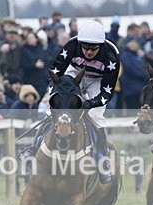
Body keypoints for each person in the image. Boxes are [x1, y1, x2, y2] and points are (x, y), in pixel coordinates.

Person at [43, 19, 120, 178]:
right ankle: (35, 148)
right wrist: (56, 94)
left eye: (94, 49)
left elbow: (107, 93)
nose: (89, 52)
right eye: (85, 48)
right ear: (80, 43)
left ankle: (101, 159)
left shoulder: (111, 56)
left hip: (98, 81)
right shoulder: (71, 46)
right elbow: (55, 74)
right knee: (53, 111)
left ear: (101, 45)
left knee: (96, 116)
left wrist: (89, 103)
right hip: (74, 74)